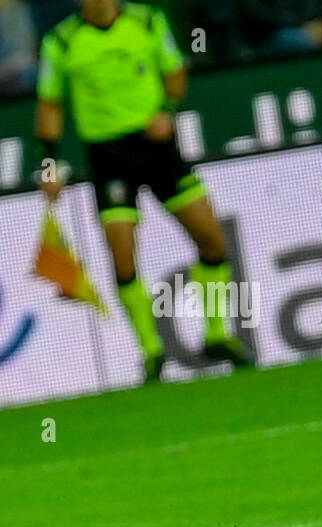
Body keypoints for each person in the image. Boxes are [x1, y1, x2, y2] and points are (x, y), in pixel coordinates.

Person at [35, 0, 250, 382]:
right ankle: (151, 352)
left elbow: (175, 72)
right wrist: (49, 164)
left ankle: (217, 334)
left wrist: (167, 109)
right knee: (122, 258)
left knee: (211, 239)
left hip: (158, 151)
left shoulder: (148, 21)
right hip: (108, 158)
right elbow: (50, 104)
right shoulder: (61, 42)